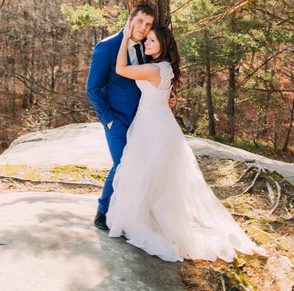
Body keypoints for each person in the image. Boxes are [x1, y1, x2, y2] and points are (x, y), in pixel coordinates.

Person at [106, 19, 269, 263]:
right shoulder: (166, 67)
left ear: (162, 46)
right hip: (161, 124)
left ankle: (145, 219)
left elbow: (120, 69)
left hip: (152, 126)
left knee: (144, 172)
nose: (147, 42)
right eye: (147, 39)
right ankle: (153, 215)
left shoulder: (153, 69)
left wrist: (125, 38)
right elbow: (164, 92)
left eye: (152, 40)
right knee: (160, 177)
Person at [86, 4, 177, 231]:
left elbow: (152, 77)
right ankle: (103, 212)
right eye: (140, 22)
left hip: (143, 119)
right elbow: (92, 89)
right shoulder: (107, 47)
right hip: (116, 119)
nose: (143, 28)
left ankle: (130, 211)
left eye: (148, 25)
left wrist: (166, 95)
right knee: (122, 164)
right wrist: (108, 120)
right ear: (130, 20)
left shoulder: (147, 48)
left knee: (141, 166)